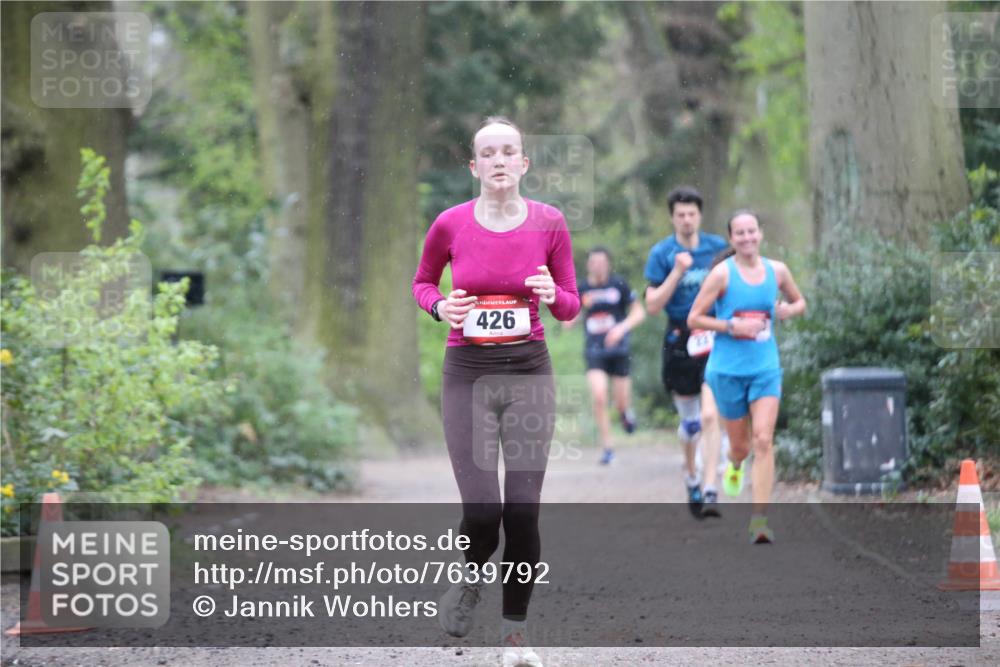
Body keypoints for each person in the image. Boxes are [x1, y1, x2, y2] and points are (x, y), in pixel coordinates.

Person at [412, 116, 579, 667]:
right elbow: (422, 283)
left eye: (510, 151)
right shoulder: (450, 224)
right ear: (475, 166)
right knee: (483, 509)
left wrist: (553, 292)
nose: (500, 161)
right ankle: (469, 577)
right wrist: (441, 307)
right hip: (468, 375)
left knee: (523, 513)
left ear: (524, 163)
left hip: (530, 371)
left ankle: (514, 636)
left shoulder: (550, 223)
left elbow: (571, 306)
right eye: (489, 153)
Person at [687, 210, 806, 543]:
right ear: (731, 239)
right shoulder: (722, 275)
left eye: (751, 231)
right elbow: (694, 319)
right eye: (739, 233)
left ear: (760, 233)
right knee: (740, 447)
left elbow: (800, 303)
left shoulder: (777, 271)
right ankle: (735, 464)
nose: (747, 238)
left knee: (764, 440)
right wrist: (730, 326)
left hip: (765, 367)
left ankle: (759, 521)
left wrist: (787, 310)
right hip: (726, 371)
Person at [644, 187, 729, 518]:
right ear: (672, 217)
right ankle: (690, 474)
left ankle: (710, 487)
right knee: (690, 423)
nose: (686, 219)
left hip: (713, 336)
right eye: (680, 214)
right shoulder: (662, 253)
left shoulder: (717, 249)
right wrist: (677, 272)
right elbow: (652, 305)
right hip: (679, 338)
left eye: (691, 213)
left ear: (700, 216)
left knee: (711, 415)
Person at [564, 246, 645, 465]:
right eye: (594, 262)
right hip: (595, 351)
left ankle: (625, 413)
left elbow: (639, 312)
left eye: (602, 262)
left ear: (608, 264)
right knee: (599, 397)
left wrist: (621, 328)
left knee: (620, 402)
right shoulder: (581, 289)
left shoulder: (619, 285)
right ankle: (608, 448)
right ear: (588, 264)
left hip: (619, 350)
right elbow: (570, 317)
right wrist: (568, 317)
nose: (598, 266)